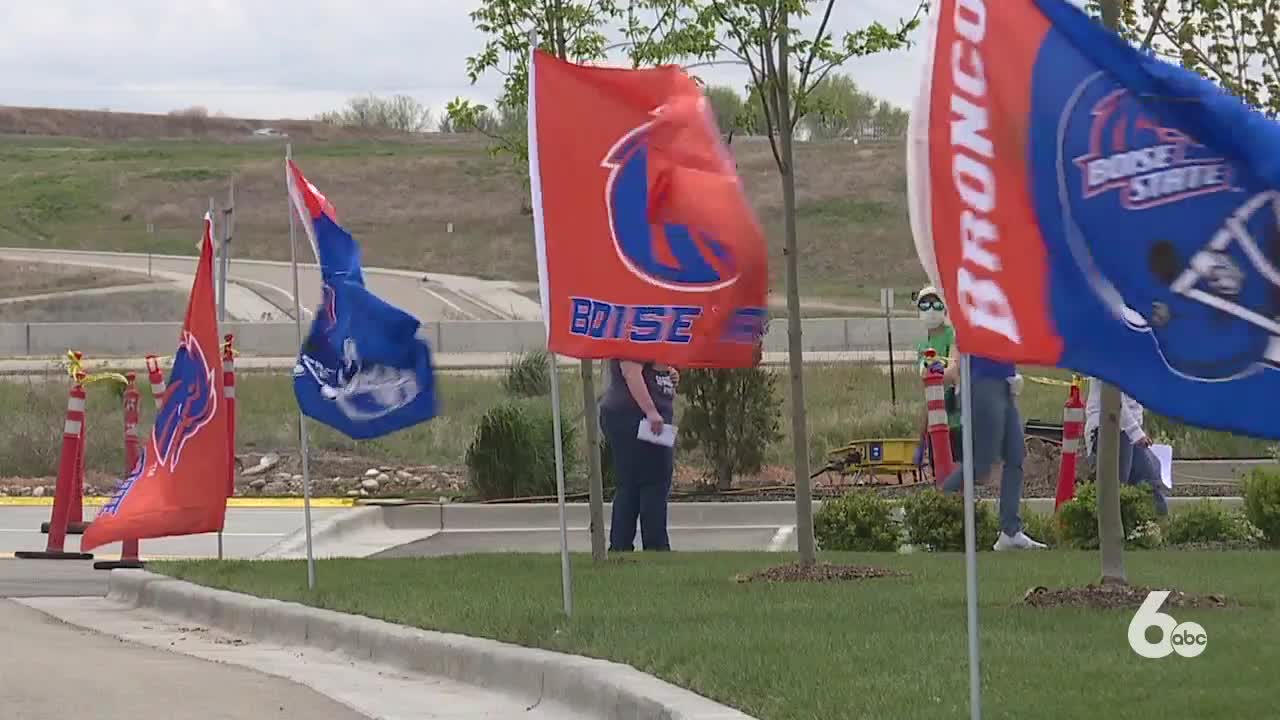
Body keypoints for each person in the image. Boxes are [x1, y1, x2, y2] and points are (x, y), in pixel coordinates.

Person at [939, 353, 1047, 550]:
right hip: (983, 385)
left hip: (1005, 384)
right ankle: (935, 507)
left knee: (1015, 456)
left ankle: (1010, 532)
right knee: (982, 463)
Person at [600, 357, 679, 552]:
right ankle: (655, 546)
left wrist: (668, 373)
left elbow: (651, 368)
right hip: (635, 418)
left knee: (632, 485)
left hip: (641, 418)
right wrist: (651, 411)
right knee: (654, 482)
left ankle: (621, 545)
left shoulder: (651, 336)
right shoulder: (633, 333)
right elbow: (631, 372)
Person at [1084, 378, 1169, 515]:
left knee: (1150, 485)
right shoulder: (1112, 358)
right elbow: (1114, 399)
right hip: (1110, 427)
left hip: (1129, 432)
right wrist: (1136, 432)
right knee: (1115, 491)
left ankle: (1154, 530)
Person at [912, 285, 963, 470]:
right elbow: (928, 393)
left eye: (936, 304)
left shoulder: (954, 336)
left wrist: (940, 374)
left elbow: (953, 370)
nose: (931, 310)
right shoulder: (923, 347)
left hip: (957, 423)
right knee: (939, 477)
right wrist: (921, 441)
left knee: (957, 477)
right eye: (925, 305)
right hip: (935, 425)